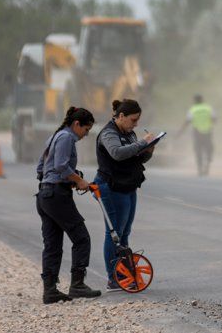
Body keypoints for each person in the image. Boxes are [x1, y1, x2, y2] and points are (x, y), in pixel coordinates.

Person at [35, 106, 102, 304]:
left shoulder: (54, 137)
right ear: (76, 124)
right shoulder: (66, 138)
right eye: (86, 129)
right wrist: (78, 180)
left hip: (45, 195)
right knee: (81, 238)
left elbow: (41, 168)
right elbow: (61, 166)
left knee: (52, 245)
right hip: (57, 196)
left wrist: (70, 178)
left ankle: (50, 291)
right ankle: (77, 285)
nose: (86, 134)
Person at [94, 99, 155, 291]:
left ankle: (123, 274)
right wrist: (142, 143)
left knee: (124, 233)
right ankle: (113, 277)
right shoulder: (108, 133)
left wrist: (148, 150)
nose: (135, 124)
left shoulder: (129, 134)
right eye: (133, 120)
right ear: (121, 116)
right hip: (111, 187)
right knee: (114, 234)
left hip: (128, 185)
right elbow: (117, 153)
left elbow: (135, 157)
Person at [178, 94, 216, 176]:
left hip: (197, 132)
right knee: (209, 149)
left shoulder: (193, 109)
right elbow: (214, 119)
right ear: (202, 99)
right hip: (208, 132)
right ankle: (207, 165)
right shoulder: (208, 108)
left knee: (198, 150)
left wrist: (180, 132)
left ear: (194, 100)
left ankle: (200, 169)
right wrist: (209, 124)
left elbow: (187, 121)